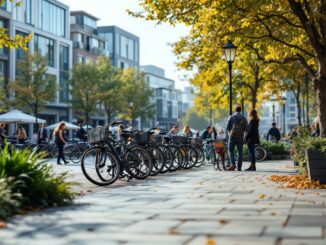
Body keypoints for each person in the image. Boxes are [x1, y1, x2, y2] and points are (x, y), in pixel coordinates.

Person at [226, 106, 248, 171]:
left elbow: (227, 127)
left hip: (232, 136)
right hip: (240, 137)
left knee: (230, 151)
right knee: (240, 153)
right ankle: (239, 167)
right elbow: (246, 129)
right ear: (240, 110)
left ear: (235, 110)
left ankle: (233, 164)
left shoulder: (231, 117)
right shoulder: (244, 118)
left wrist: (229, 133)